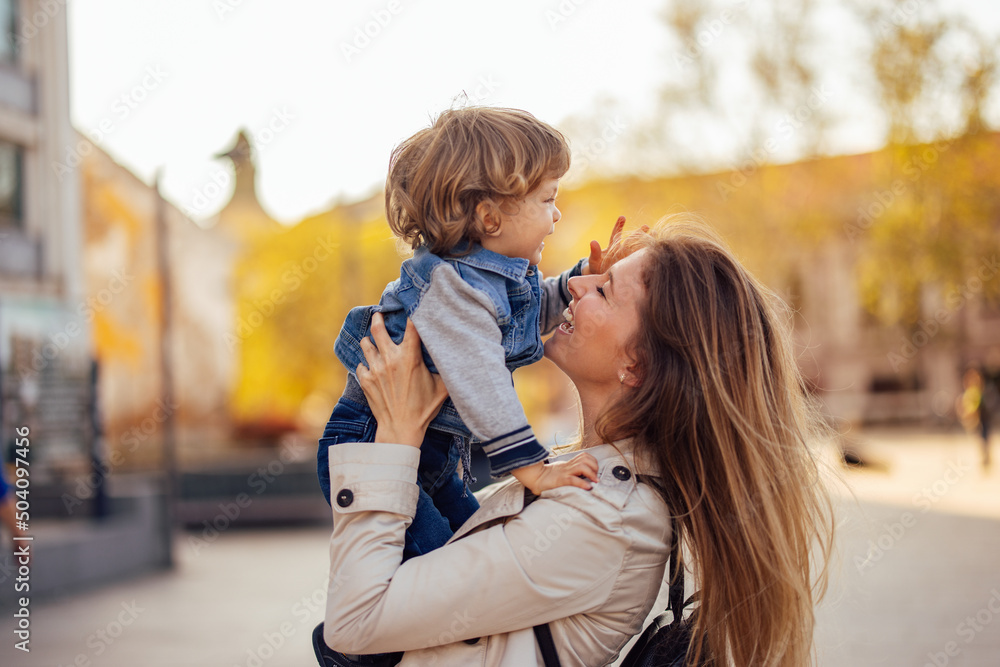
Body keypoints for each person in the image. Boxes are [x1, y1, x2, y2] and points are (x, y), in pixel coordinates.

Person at [317, 219, 835, 667]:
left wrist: (397, 441)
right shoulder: (593, 481)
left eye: (603, 291)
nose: (578, 288)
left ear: (636, 364)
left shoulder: (602, 520)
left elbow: (355, 621)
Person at [317, 107, 615, 560]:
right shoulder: (452, 288)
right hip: (371, 443)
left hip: (430, 452)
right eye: (546, 199)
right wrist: (532, 469)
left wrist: (583, 279)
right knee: (432, 563)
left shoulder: (494, 280)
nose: (556, 215)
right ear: (490, 218)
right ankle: (344, 635)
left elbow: (530, 314)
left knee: (477, 548)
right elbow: (481, 380)